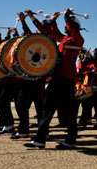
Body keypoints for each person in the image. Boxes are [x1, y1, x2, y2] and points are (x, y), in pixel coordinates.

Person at [24, 9, 85, 149]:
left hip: (66, 80)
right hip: (57, 78)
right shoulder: (64, 39)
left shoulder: (78, 39)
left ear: (72, 26)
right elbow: (47, 30)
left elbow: (69, 29)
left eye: (67, 25)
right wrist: (31, 17)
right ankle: (40, 139)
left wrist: (67, 16)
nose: (65, 27)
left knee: (66, 112)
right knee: (49, 109)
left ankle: (69, 140)